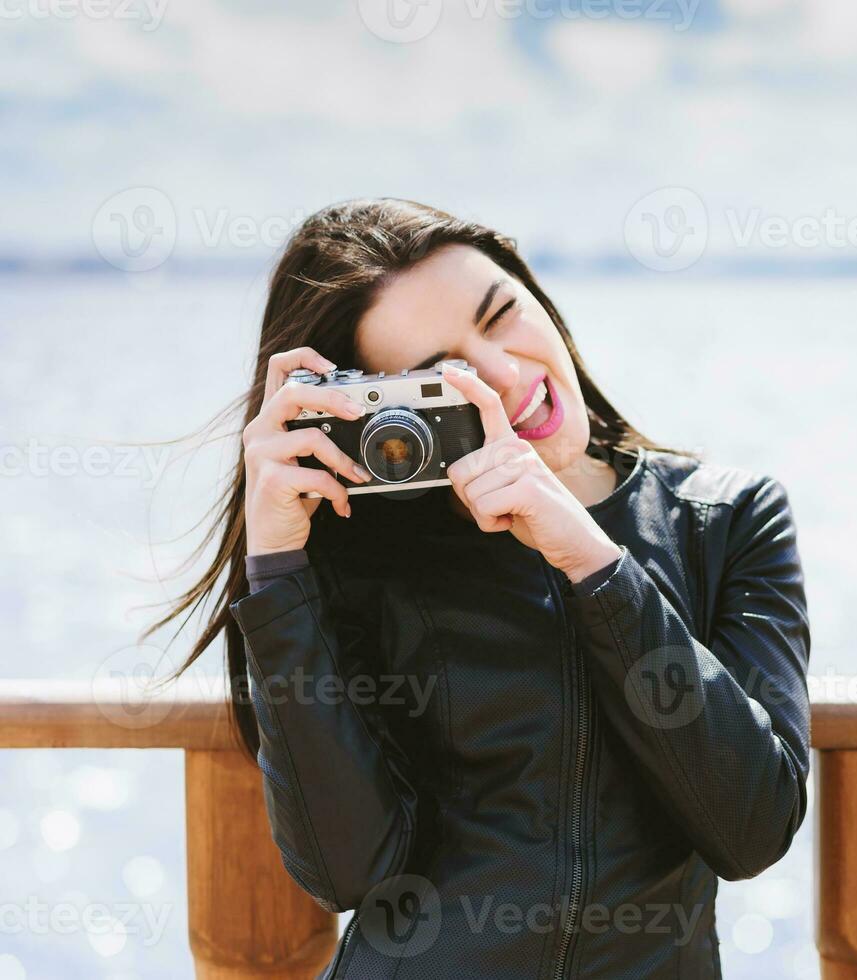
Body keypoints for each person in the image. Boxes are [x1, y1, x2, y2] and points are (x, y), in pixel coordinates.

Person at [145, 198, 812, 978]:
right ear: (385, 411)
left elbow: (753, 826)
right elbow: (345, 869)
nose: (502, 378)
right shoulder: (367, 546)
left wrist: (595, 564)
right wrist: (279, 566)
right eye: (442, 378)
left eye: (501, 316)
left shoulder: (724, 519)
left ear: (539, 297)